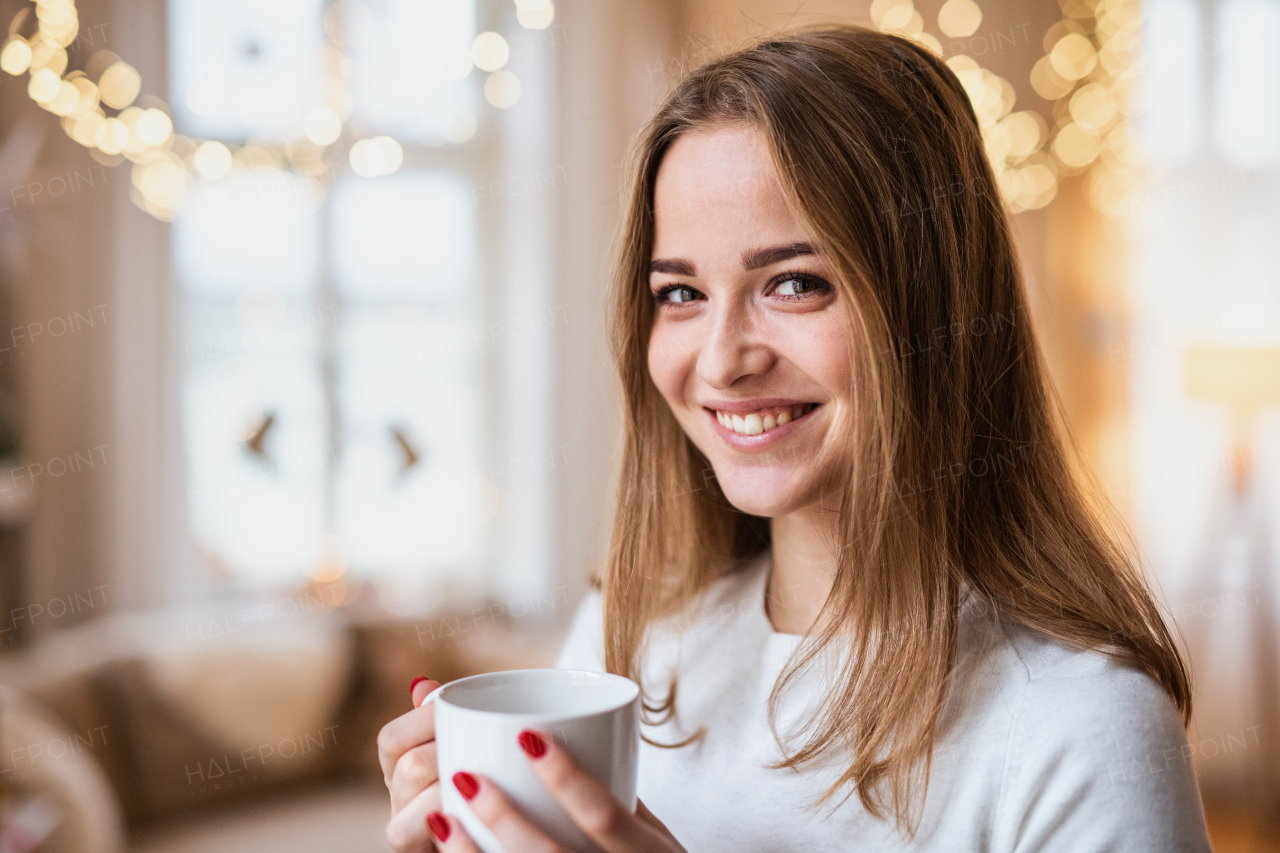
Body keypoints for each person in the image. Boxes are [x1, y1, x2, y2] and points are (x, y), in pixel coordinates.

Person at [378, 25, 1215, 852]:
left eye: (794, 282)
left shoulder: (1082, 722)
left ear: (934, 309)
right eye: (679, 294)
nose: (721, 360)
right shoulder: (627, 641)